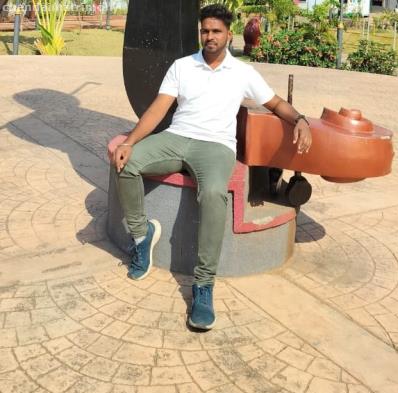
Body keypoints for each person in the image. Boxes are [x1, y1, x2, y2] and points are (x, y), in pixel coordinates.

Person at [113, 4, 312, 330]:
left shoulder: (243, 73)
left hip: (216, 147)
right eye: (205, 31)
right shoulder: (182, 66)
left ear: (228, 35)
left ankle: (204, 284)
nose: (209, 36)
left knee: (213, 194)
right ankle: (141, 236)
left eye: (216, 31)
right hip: (177, 137)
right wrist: (130, 142)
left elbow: (276, 103)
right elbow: (157, 110)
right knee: (128, 163)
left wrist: (301, 120)